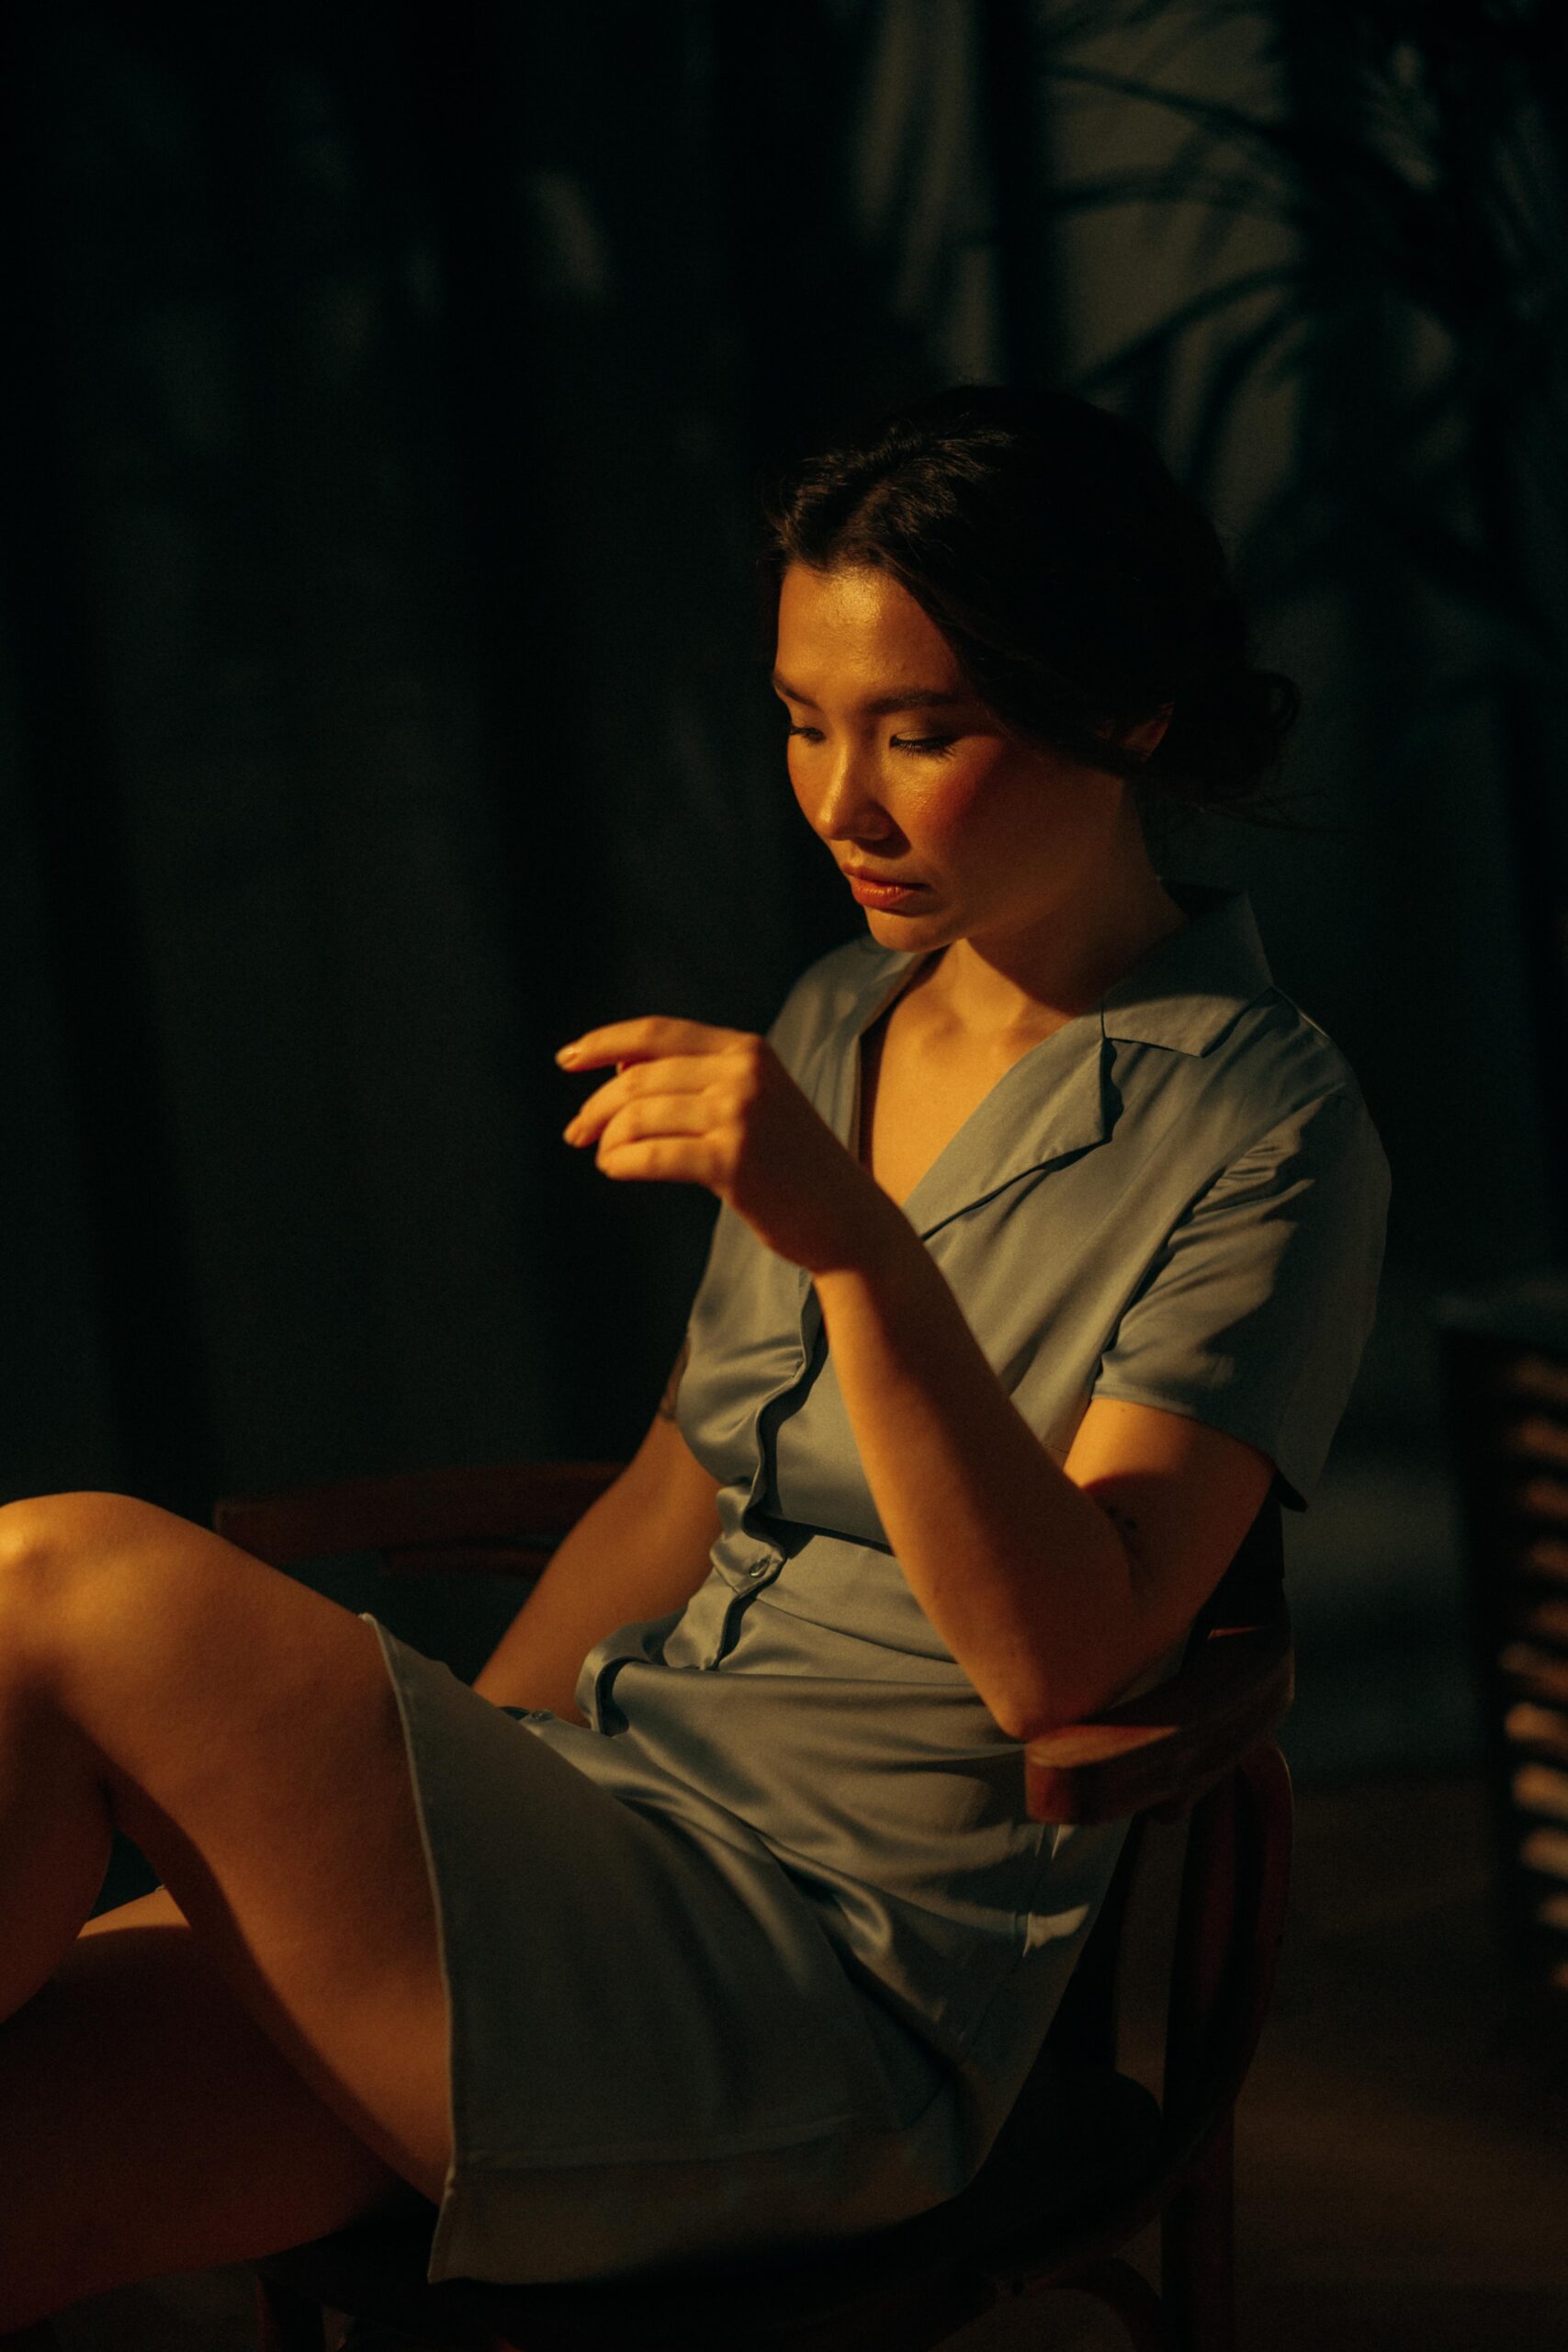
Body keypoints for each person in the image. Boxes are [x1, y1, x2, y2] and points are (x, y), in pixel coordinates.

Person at [0, 384, 1390, 2333]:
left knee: (58, 1574)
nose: (841, 802)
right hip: (609, 1833)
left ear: (1133, 714)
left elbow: (1064, 1661)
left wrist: (856, 1245)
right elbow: (677, 1487)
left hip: (830, 1981)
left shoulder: (1266, 1126)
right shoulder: (837, 1016)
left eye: (922, 732)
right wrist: (452, 1803)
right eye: (804, 721)